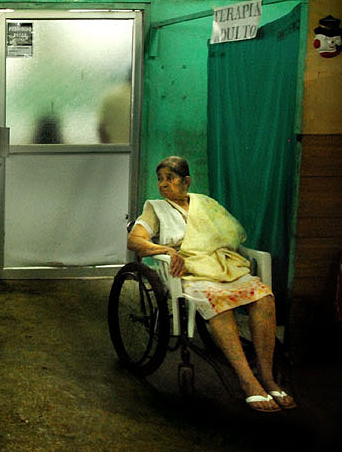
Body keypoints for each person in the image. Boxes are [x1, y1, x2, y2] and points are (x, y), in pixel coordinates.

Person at [127, 156, 296, 413]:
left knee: (264, 297)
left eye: (170, 179)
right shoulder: (155, 208)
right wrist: (166, 250)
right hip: (190, 272)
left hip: (223, 266)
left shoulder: (205, 204)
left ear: (186, 182)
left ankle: (267, 375)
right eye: (160, 179)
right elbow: (135, 240)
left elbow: (229, 235)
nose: (163, 185)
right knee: (221, 304)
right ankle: (247, 380)